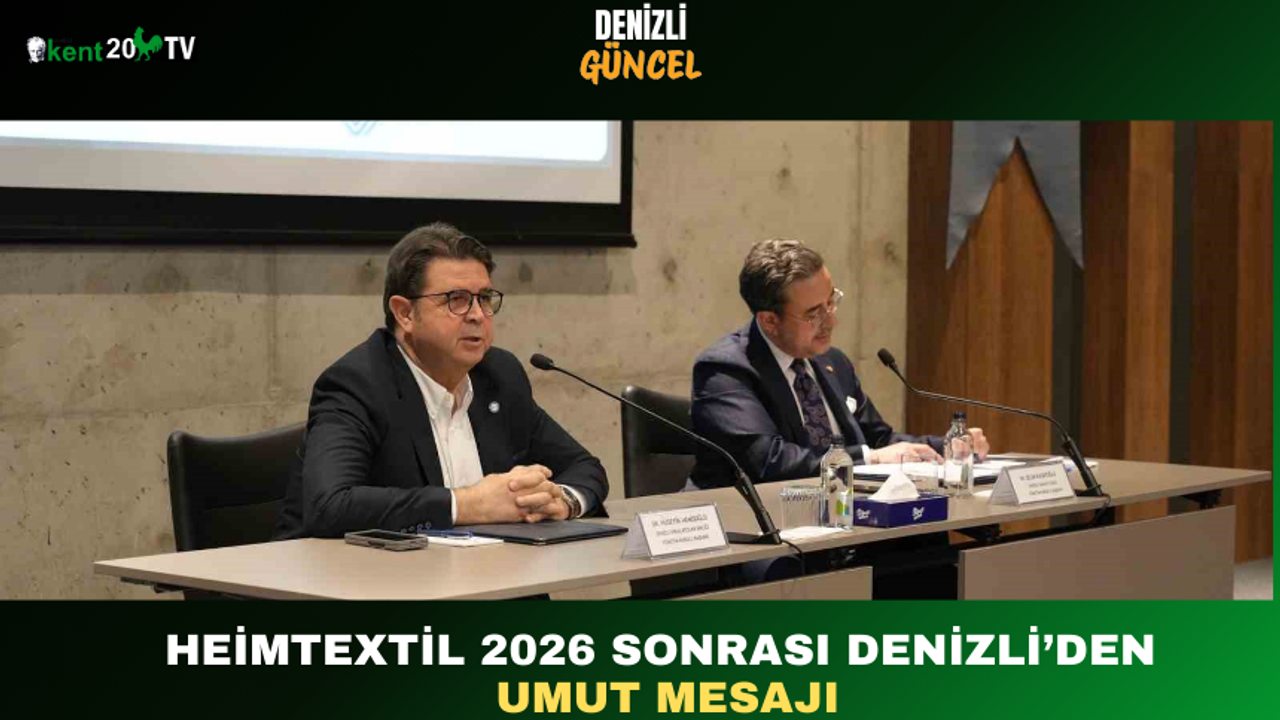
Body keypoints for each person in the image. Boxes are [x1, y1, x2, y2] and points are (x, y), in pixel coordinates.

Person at [274, 223, 606, 539]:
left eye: (484, 298)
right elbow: (330, 506)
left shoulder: (499, 375)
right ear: (405, 313)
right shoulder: (358, 384)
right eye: (456, 299)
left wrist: (561, 501)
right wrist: (469, 504)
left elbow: (583, 467)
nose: (477, 314)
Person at [688, 238, 989, 490]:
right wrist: (870, 459)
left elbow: (879, 440)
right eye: (813, 313)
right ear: (769, 321)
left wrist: (946, 447)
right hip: (761, 526)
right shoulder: (725, 370)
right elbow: (769, 462)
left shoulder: (831, 361)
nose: (831, 321)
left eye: (831, 302)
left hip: (841, 514)